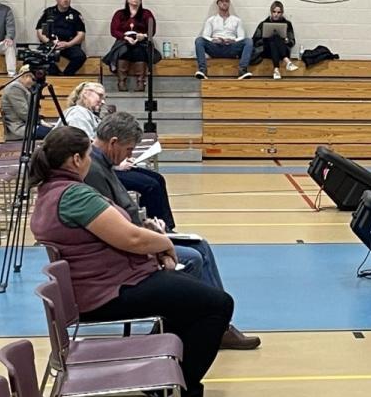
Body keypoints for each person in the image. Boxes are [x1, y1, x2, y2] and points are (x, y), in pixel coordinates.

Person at [28, 126, 232, 397]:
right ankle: (178, 396)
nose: (89, 161)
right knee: (218, 304)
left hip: (99, 285)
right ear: (75, 159)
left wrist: (148, 236)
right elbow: (131, 240)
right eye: (87, 156)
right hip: (107, 292)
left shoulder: (50, 191)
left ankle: (162, 380)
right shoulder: (74, 196)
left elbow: (120, 233)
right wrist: (163, 243)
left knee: (187, 295)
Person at [83, 112, 260, 350]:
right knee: (194, 258)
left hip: (138, 233)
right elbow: (115, 226)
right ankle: (194, 323)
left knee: (201, 245)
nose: (130, 155)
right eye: (128, 149)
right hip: (126, 248)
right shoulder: (94, 170)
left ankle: (219, 325)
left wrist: (149, 226)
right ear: (113, 142)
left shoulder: (104, 164)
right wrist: (156, 240)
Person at [58, 81, 176, 228]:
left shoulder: (89, 114)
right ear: (85, 94)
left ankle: (165, 227)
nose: (102, 101)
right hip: (96, 166)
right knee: (150, 185)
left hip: (104, 162)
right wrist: (118, 165)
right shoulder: (77, 114)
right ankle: (160, 228)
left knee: (157, 178)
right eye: (99, 96)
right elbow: (83, 145)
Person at [103, 0, 160, 92]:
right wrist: (125, 37)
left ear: (141, 1)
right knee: (123, 50)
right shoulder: (119, 14)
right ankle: (121, 82)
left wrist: (143, 36)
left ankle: (141, 82)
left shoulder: (147, 13)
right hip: (123, 39)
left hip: (141, 40)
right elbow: (114, 30)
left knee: (140, 51)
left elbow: (152, 30)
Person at [195, 0, 253, 80]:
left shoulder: (237, 20)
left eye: (226, 1)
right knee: (199, 40)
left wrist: (233, 41)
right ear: (218, 3)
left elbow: (241, 37)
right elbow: (205, 36)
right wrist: (213, 40)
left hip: (231, 48)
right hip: (216, 48)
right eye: (222, 1)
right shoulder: (211, 20)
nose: (224, 3)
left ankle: (242, 70)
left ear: (229, 3)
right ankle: (202, 70)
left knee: (248, 41)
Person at [35, 0, 87, 76]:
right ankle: (56, 74)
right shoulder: (49, 12)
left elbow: (81, 35)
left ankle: (67, 75)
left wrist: (68, 44)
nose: (66, 0)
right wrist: (50, 42)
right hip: (51, 44)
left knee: (80, 56)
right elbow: (40, 31)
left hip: (69, 45)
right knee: (37, 57)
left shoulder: (75, 14)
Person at [0, 65, 52, 141]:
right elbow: (25, 113)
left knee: (56, 131)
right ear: (25, 76)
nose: (34, 83)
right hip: (19, 129)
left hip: (28, 125)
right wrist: (40, 122)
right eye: (33, 79)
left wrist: (39, 91)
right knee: (55, 134)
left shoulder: (23, 87)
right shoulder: (14, 87)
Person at [252, 0, 299, 79]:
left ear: (282, 13)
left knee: (275, 37)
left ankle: (276, 70)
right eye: (274, 12)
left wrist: (286, 40)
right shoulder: (263, 24)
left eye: (278, 12)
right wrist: (264, 39)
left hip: (282, 50)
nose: (276, 14)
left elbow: (292, 41)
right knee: (273, 37)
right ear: (271, 12)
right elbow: (255, 41)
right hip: (267, 51)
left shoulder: (287, 24)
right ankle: (287, 61)